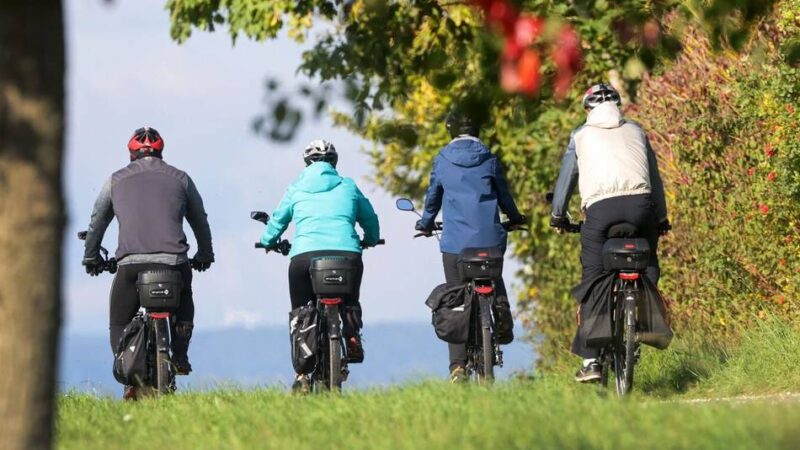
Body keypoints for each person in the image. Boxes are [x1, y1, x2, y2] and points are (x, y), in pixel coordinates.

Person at [550, 83, 670, 382]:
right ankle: (642, 324)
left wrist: (557, 215)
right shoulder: (637, 131)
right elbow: (654, 178)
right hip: (642, 207)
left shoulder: (580, 136)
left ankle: (592, 361)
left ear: (587, 109)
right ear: (618, 105)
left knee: (593, 278)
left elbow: (566, 180)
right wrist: (662, 216)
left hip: (600, 212)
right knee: (648, 263)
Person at [83, 126, 214, 398]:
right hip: (173, 263)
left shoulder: (114, 181)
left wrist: (91, 256)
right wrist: (205, 254)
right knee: (185, 299)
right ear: (161, 151)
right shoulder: (182, 178)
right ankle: (179, 355)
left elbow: (97, 221)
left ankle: (128, 369)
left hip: (131, 265)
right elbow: (199, 219)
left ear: (131, 153)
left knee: (119, 320)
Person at [259, 139, 380, 392]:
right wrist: (369, 239)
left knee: (301, 312)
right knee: (350, 299)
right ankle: (351, 333)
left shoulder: (296, 188)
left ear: (306, 163)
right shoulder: (348, 186)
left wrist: (267, 241)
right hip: (346, 256)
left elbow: (278, 220)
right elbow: (370, 219)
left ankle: (302, 374)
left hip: (304, 257)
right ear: (334, 162)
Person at [416, 107, 526, 383]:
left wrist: (426, 223)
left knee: (455, 297)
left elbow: (433, 197)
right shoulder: (489, 159)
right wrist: (514, 218)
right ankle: (502, 322)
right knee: (494, 276)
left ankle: (457, 367)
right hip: (489, 240)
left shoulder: (442, 160)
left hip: (455, 245)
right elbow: (504, 195)